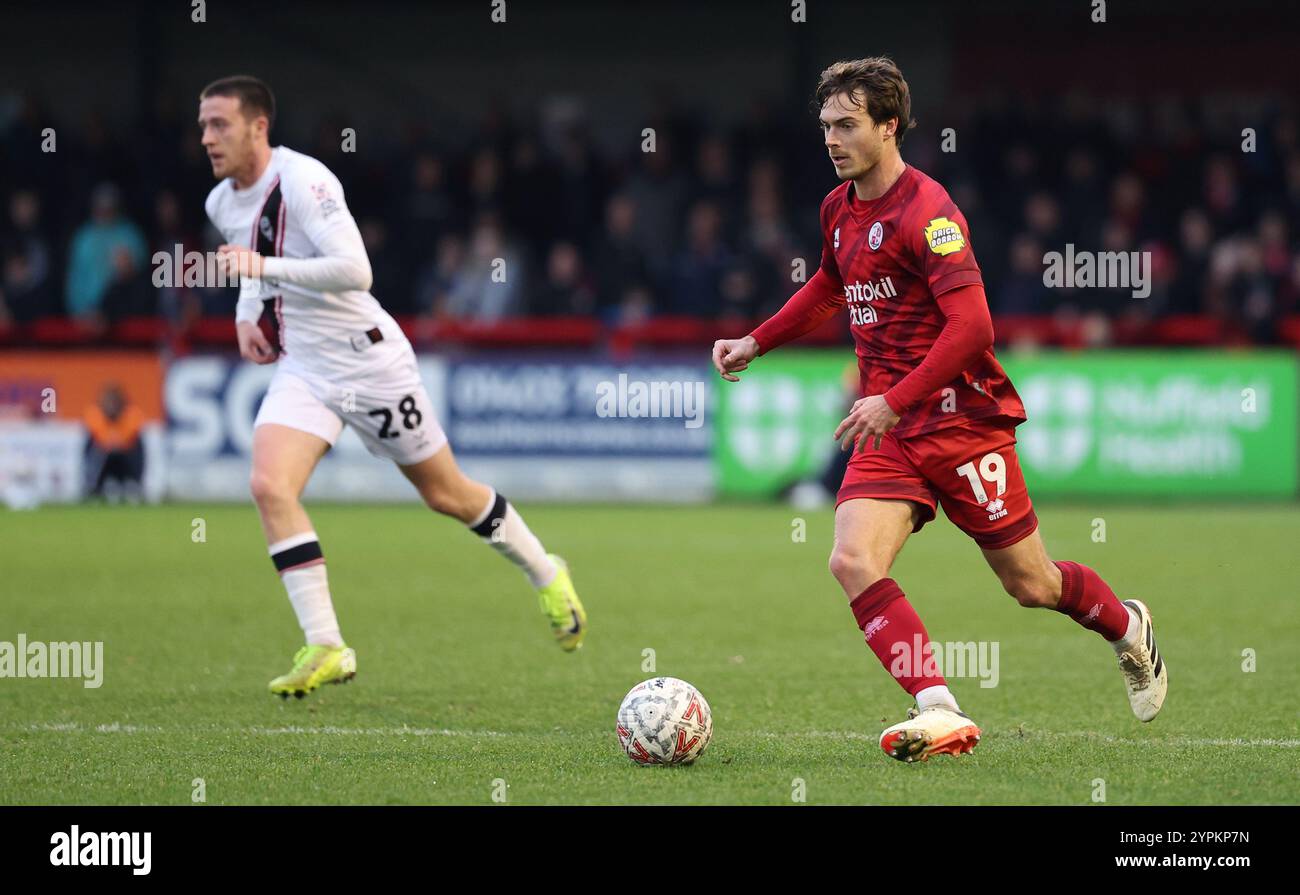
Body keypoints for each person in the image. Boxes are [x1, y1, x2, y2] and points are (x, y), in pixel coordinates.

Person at [711, 58, 1166, 762]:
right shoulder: (839, 210)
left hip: (959, 423)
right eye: (826, 125)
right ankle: (940, 707)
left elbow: (974, 329)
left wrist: (892, 400)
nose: (832, 139)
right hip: (888, 430)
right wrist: (756, 340)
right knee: (851, 558)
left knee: (1032, 584)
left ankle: (1127, 627)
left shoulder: (930, 212)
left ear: (889, 126)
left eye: (848, 125)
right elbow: (830, 287)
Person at [199, 75, 587, 699]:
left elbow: (356, 271)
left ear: (258, 127)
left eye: (220, 124)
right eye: (203, 126)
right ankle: (327, 644)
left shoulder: (305, 181)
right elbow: (252, 261)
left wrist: (261, 270)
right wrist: (248, 312)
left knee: (447, 495)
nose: (207, 138)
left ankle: (547, 570)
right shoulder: (222, 203)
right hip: (303, 367)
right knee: (269, 485)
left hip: (368, 363)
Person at [83, 384, 145, 502]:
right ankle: (95, 489)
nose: (112, 406)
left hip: (127, 459)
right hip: (104, 460)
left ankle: (133, 485)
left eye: (114, 402)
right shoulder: (94, 414)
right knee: (98, 451)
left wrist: (117, 442)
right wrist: (111, 442)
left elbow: (128, 439)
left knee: (133, 449)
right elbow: (101, 439)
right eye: (109, 402)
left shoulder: (132, 415)